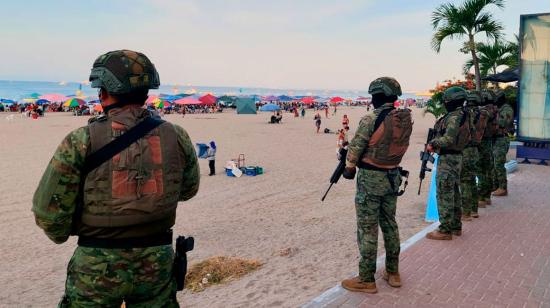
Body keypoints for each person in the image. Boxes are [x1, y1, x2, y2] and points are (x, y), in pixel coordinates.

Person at [32, 50, 200, 307]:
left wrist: (71, 229)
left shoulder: (81, 140)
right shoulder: (176, 135)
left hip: (96, 265)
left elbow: (49, 213)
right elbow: (188, 189)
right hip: (156, 261)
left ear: (103, 92)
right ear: (146, 93)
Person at [341, 77, 413, 293]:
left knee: (367, 228)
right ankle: (393, 272)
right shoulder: (404, 117)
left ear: (377, 96)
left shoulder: (371, 118)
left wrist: (350, 167)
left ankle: (366, 279)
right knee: (390, 224)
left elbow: (356, 148)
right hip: (392, 176)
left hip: (371, 178)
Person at [426, 86, 471, 240]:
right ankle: (456, 226)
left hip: (448, 158)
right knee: (454, 192)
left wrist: (433, 143)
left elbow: (448, 139)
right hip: (457, 157)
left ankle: (445, 230)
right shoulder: (464, 115)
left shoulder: (453, 117)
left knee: (444, 193)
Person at [461, 90, 486, 220]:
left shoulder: (466, 114)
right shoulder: (483, 114)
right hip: (476, 149)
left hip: (466, 150)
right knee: (472, 180)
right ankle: (474, 210)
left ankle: (465, 213)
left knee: (464, 181)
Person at [478, 90, 499, 207]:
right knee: (488, 169)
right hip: (489, 140)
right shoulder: (495, 109)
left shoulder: (485, 111)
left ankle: (481, 197)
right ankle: (486, 196)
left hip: (483, 141)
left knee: (481, 170)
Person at [492, 90, 514, 196]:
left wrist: (491, 118)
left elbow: (504, 122)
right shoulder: (499, 109)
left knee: (498, 163)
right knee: (494, 163)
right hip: (496, 139)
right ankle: (496, 186)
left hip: (502, 139)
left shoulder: (507, 109)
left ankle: (503, 188)